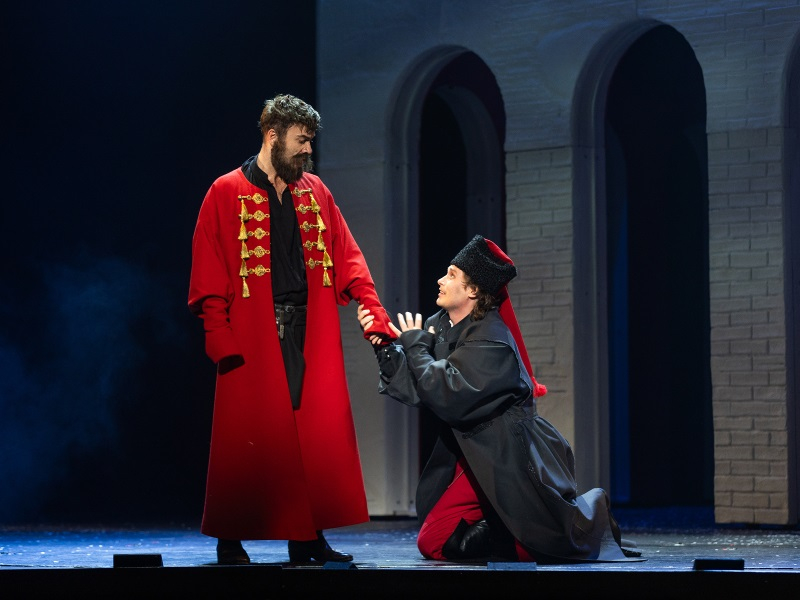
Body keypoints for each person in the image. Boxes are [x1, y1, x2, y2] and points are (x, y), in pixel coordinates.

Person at [188, 93, 395, 565]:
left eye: (310, 141)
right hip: (252, 333)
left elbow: (347, 255)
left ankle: (307, 539)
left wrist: (372, 307)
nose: (308, 150)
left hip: (307, 328)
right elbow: (208, 270)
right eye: (301, 140)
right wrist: (219, 335)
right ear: (272, 136)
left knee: (309, 438)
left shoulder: (315, 191)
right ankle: (230, 538)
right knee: (245, 439)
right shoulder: (225, 191)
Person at [358, 235, 639, 563]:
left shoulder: (492, 340)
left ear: (473, 290)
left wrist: (417, 346)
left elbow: (447, 393)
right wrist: (384, 347)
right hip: (471, 452)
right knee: (434, 540)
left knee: (540, 546)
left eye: (451, 275)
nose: (440, 280)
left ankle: (591, 517)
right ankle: (508, 526)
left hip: (506, 457)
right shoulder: (441, 326)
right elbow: (419, 388)